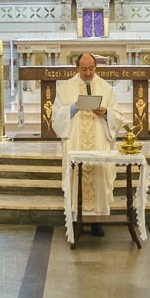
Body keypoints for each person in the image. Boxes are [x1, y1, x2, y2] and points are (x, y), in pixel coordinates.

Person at [52, 53, 123, 233]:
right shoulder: (66, 88)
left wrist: (106, 112)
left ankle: (97, 220)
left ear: (96, 67)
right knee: (76, 177)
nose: (88, 72)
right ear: (77, 68)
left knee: (99, 176)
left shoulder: (105, 87)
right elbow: (56, 116)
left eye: (91, 68)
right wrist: (74, 107)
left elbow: (118, 114)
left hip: (99, 140)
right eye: (84, 69)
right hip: (75, 141)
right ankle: (77, 219)